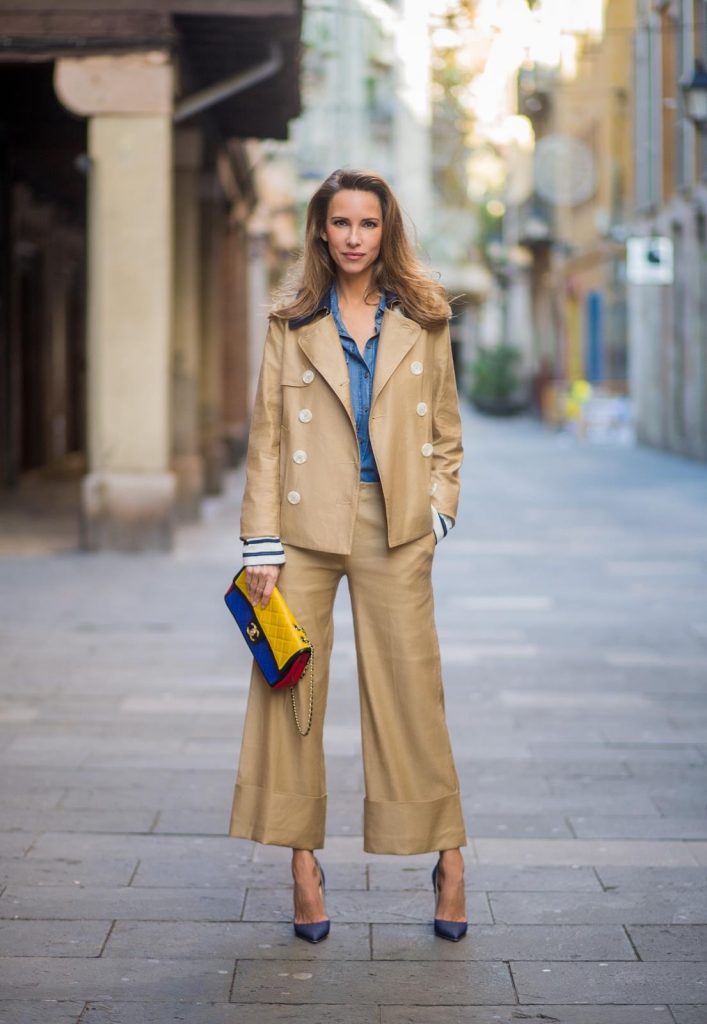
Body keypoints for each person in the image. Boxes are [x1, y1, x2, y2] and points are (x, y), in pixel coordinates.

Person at [228, 168, 468, 943]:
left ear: (384, 230)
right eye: (341, 224)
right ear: (321, 232)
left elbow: (447, 436)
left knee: (411, 691)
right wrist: (259, 544)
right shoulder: (290, 319)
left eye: (367, 224)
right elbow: (267, 437)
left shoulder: (425, 316)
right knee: (289, 691)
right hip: (298, 534)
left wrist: (436, 516)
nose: (354, 237)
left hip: (396, 527)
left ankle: (448, 857)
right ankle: (301, 865)